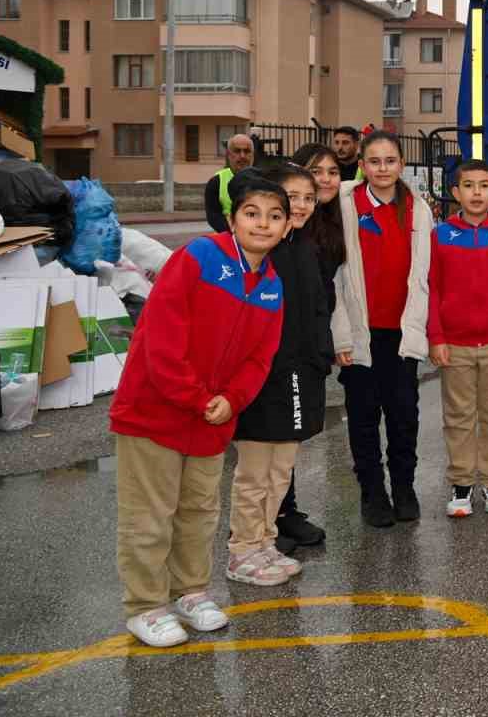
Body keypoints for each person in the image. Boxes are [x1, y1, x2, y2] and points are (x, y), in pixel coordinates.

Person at [110, 169, 287, 647]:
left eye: (275, 216)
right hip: (155, 413)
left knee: (198, 512)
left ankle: (189, 592)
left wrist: (231, 400)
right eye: (252, 213)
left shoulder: (272, 285)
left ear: (287, 227)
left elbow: (259, 358)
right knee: (149, 514)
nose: (263, 224)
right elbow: (161, 340)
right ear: (233, 218)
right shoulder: (198, 257)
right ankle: (144, 605)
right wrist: (196, 396)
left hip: (212, 422)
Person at [225, 164, 334, 586]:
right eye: (293, 198)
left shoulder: (305, 247)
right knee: (253, 471)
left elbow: (316, 310)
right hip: (262, 377)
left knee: (280, 469)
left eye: (309, 198)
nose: (302, 206)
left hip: (299, 374)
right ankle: (242, 549)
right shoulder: (259, 253)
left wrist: (319, 357)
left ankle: (265, 542)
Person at [330, 131, 434, 528]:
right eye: (374, 161)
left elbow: (424, 276)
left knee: (404, 415)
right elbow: (337, 278)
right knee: (363, 417)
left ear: (402, 165)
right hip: (361, 333)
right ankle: (373, 493)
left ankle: (404, 488)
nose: (383, 168)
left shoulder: (418, 209)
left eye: (390, 161)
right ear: (362, 165)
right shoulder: (344, 204)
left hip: (401, 333)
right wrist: (341, 335)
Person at [428, 159, 488, 518]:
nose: (477, 193)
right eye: (469, 186)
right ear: (456, 192)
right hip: (455, 344)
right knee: (459, 416)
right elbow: (433, 288)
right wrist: (436, 336)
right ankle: (462, 482)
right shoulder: (441, 235)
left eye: (484, 186)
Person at [270, 143, 347, 551]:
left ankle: (285, 511)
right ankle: (270, 522)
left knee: (291, 435)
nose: (325, 180)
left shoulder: (332, 218)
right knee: (272, 438)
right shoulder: (282, 230)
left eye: (333, 172)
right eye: (315, 172)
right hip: (281, 348)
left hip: (309, 343)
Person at [204, 132, 256, 233]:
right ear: (228, 155)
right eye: (237, 151)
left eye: (247, 151)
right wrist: (236, 233)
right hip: (228, 238)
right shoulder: (216, 182)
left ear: (253, 155)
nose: (242, 156)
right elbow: (213, 216)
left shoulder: (265, 180)